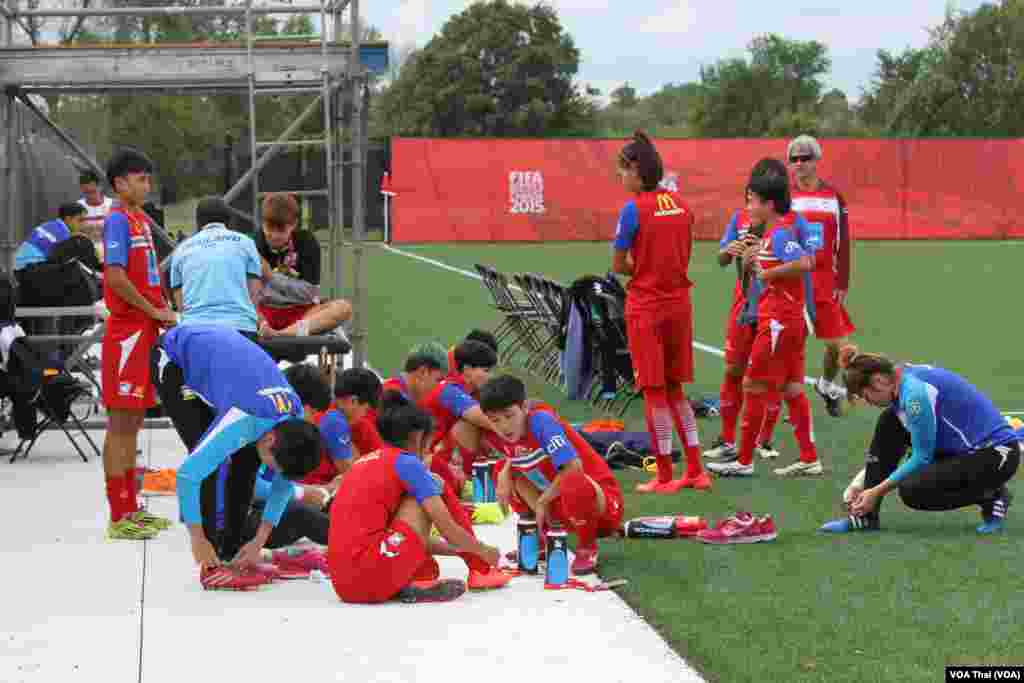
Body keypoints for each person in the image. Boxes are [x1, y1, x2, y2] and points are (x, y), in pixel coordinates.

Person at [151, 325, 322, 590]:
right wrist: (197, 537)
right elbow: (187, 475)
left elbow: (283, 482)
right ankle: (210, 560)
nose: (275, 472)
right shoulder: (244, 418)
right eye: (274, 465)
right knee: (209, 461)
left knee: (248, 463)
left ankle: (231, 550)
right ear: (269, 439)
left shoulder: (294, 417)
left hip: (226, 360)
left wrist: (259, 541)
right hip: (177, 359)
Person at [821, 347, 1020, 535]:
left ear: (878, 380)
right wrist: (861, 484)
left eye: (866, 396)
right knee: (889, 421)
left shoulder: (915, 395)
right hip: (961, 450)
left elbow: (921, 456)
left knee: (913, 490)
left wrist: (875, 492)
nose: (869, 402)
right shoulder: (900, 377)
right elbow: (895, 450)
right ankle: (865, 517)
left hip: (996, 455)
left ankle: (992, 496)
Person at [327, 394, 503, 604]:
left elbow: (413, 537)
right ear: (417, 438)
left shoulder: (365, 461)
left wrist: (460, 550)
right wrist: (484, 551)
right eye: (429, 443)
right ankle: (480, 569)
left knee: (422, 494)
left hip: (345, 586)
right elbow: (447, 529)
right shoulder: (408, 463)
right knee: (435, 486)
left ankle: (417, 578)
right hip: (371, 575)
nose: (429, 450)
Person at [611, 131, 710, 494]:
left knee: (653, 391)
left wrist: (643, 271)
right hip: (679, 304)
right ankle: (696, 470)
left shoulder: (633, 209)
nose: (621, 179)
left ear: (636, 170)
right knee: (675, 389)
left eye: (622, 171)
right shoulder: (682, 205)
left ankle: (664, 475)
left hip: (647, 306)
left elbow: (619, 264)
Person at [707, 173, 822, 478]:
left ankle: (743, 460)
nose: (749, 206)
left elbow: (807, 263)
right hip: (785, 320)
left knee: (753, 384)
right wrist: (750, 265)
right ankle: (809, 457)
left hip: (779, 323)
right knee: (791, 387)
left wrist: (769, 275)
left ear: (769, 204)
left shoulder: (781, 233)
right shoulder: (772, 235)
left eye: (753, 200)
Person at [100, 149, 178, 540]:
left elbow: (146, 275)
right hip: (127, 333)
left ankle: (131, 507)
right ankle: (119, 515)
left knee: (132, 424)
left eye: (149, 178)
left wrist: (162, 310)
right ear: (120, 183)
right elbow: (114, 277)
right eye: (140, 178)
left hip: (144, 328)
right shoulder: (117, 220)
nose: (147, 185)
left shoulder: (138, 220)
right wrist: (152, 309)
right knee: (120, 424)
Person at [481, 375, 624, 575]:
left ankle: (587, 547)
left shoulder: (541, 421)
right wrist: (504, 472)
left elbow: (574, 467)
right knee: (501, 470)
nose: (504, 426)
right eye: (495, 420)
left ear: (523, 408)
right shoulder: (501, 432)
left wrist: (542, 502)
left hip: (604, 507)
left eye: (509, 416)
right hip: (564, 504)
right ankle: (541, 538)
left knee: (573, 479)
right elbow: (516, 459)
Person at [788, 135, 855, 418]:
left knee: (838, 346)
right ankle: (791, 405)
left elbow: (844, 239)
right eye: (795, 159)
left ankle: (826, 385)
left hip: (825, 281)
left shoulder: (832, 196)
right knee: (791, 347)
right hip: (792, 281)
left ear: (816, 161)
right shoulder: (784, 196)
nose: (800, 163)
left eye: (806, 158)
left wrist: (843, 282)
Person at [254, 192, 352, 337]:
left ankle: (281, 335)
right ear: (262, 223)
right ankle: (273, 332)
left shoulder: (307, 242)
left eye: (281, 229)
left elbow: (310, 293)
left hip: (301, 314)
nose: (274, 235)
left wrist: (271, 277)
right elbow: (251, 293)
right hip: (264, 315)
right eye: (269, 227)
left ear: (293, 225)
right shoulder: (253, 243)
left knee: (343, 308)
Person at [169, 196, 264, 334]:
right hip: (240, 327)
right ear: (228, 219)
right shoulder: (246, 242)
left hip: (195, 329)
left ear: (198, 221)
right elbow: (255, 291)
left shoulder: (181, 249)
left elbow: (179, 299)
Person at [421, 340, 500, 493]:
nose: (490, 376)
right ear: (467, 370)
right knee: (472, 424)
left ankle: (475, 481)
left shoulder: (462, 389)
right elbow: (490, 421)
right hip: (426, 460)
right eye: (485, 370)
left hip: (433, 457)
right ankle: (471, 483)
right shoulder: (449, 390)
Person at [301, 368, 382, 490]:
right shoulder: (334, 420)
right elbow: (353, 473)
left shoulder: (337, 418)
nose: (364, 416)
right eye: (366, 410)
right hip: (314, 492)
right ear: (353, 401)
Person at [13, 202, 87, 272]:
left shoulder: (49, 225)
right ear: (68, 219)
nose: (83, 225)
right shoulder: (63, 234)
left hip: (19, 267)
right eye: (80, 220)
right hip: (31, 270)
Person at [78, 170, 114, 246]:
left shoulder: (113, 205)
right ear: (81, 189)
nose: (90, 196)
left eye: (93, 192)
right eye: (86, 193)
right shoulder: (77, 207)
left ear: (100, 187)